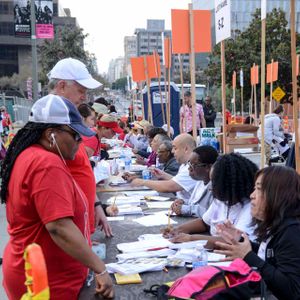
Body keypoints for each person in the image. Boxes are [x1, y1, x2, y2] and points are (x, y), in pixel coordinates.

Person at [1, 94, 113, 300]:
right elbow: (59, 227)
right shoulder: (45, 164)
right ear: (50, 133)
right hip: (46, 282)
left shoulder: (33, 155)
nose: (79, 142)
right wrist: (100, 269)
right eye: (75, 135)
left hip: (36, 272)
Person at [48, 57, 113, 237]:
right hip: (69, 238)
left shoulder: (68, 119)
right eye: (80, 90)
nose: (84, 97)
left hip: (80, 228)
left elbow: (79, 169)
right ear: (62, 86)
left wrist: (96, 204)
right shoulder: (51, 125)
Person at [214, 166, 300, 299]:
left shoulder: (292, 232)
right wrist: (240, 241)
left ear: (277, 194)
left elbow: (292, 291)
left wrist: (247, 256)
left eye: (258, 189)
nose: (252, 195)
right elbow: (271, 258)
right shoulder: (278, 225)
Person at [163, 153, 257, 247]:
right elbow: (204, 222)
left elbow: (236, 241)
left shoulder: (249, 208)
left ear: (230, 184)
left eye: (215, 183)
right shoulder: (220, 201)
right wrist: (179, 229)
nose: (210, 187)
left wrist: (192, 239)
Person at [131, 134, 197, 201]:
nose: (172, 151)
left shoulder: (191, 168)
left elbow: (170, 186)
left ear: (186, 149)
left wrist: (142, 182)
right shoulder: (184, 165)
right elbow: (178, 182)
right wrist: (163, 175)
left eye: (175, 148)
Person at [171, 145, 218, 217]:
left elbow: (210, 212)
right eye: (189, 163)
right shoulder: (200, 181)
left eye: (194, 165)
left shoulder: (215, 187)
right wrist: (183, 202)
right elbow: (194, 203)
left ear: (208, 167)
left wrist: (185, 209)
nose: (189, 168)